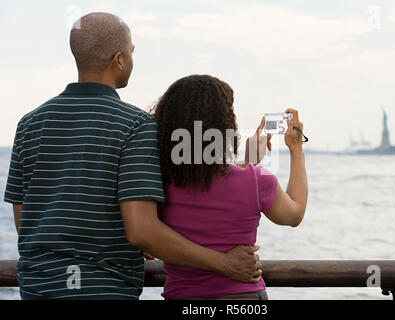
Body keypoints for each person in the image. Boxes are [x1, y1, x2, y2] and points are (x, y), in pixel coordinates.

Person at [3, 13, 261, 300]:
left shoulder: (29, 123)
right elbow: (141, 231)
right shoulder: (134, 125)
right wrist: (225, 263)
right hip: (101, 289)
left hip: (38, 287)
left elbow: (25, 222)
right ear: (119, 60)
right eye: (131, 52)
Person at [152, 75, 308, 299]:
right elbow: (294, 214)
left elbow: (205, 180)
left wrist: (248, 162)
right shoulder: (256, 182)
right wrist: (296, 149)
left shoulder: (158, 182)